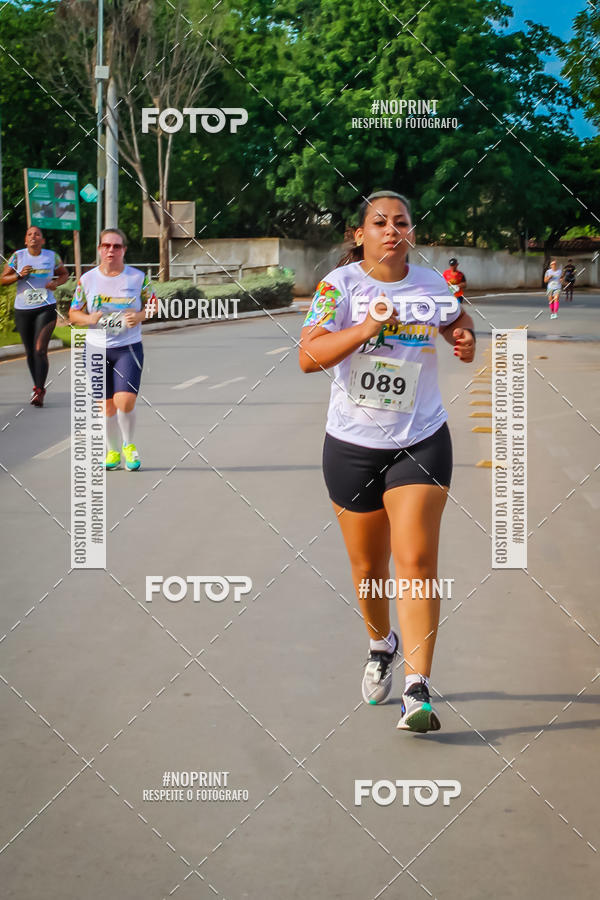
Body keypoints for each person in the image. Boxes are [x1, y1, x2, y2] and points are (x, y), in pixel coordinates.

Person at [299, 191, 476, 733]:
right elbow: (309, 355)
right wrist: (365, 330)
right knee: (368, 569)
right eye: (380, 222)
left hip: (419, 440)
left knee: (417, 560)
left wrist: (463, 338)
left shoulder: (432, 286)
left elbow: (457, 320)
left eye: (401, 222)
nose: (391, 230)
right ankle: (381, 644)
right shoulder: (339, 287)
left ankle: (417, 689)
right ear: (360, 234)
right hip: (351, 444)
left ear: (411, 233)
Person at [69, 228, 157, 470]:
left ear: (124, 250)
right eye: (106, 245)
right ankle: (112, 452)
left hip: (127, 347)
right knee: (105, 405)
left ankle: (129, 445)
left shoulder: (138, 278)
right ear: (99, 249)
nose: (111, 250)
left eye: (116, 246)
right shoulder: (87, 280)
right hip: (96, 349)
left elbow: (154, 306)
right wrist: (89, 319)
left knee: (124, 401)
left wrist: (138, 316)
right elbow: (73, 312)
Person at [1, 225, 69, 406]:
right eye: (30, 234)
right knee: (30, 352)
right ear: (25, 240)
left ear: (42, 240)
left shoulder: (51, 256)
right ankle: (36, 386)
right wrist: (18, 276)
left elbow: (64, 274)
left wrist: (56, 283)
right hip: (23, 310)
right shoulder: (17, 256)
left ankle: (39, 390)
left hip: (46, 307)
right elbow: (2, 279)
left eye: (37, 234)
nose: (33, 237)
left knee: (40, 349)